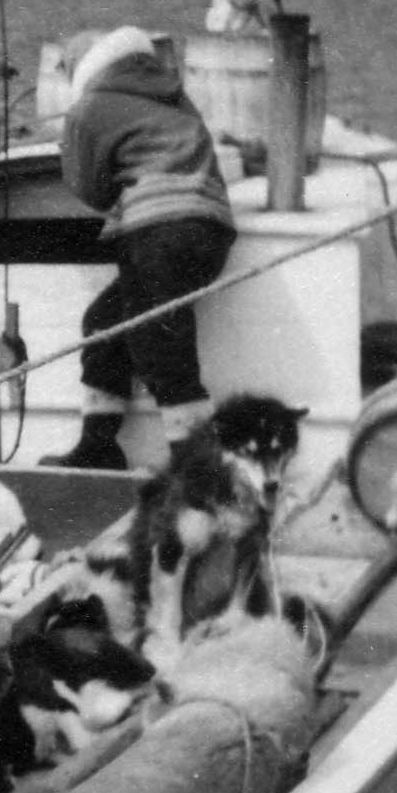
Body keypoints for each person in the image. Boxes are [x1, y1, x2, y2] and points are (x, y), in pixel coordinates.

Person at [44, 25, 235, 470]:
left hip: (158, 231)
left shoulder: (88, 109)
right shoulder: (173, 95)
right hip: (210, 231)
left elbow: (89, 188)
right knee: (105, 324)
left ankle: (198, 467)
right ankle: (99, 445)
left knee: (160, 347)